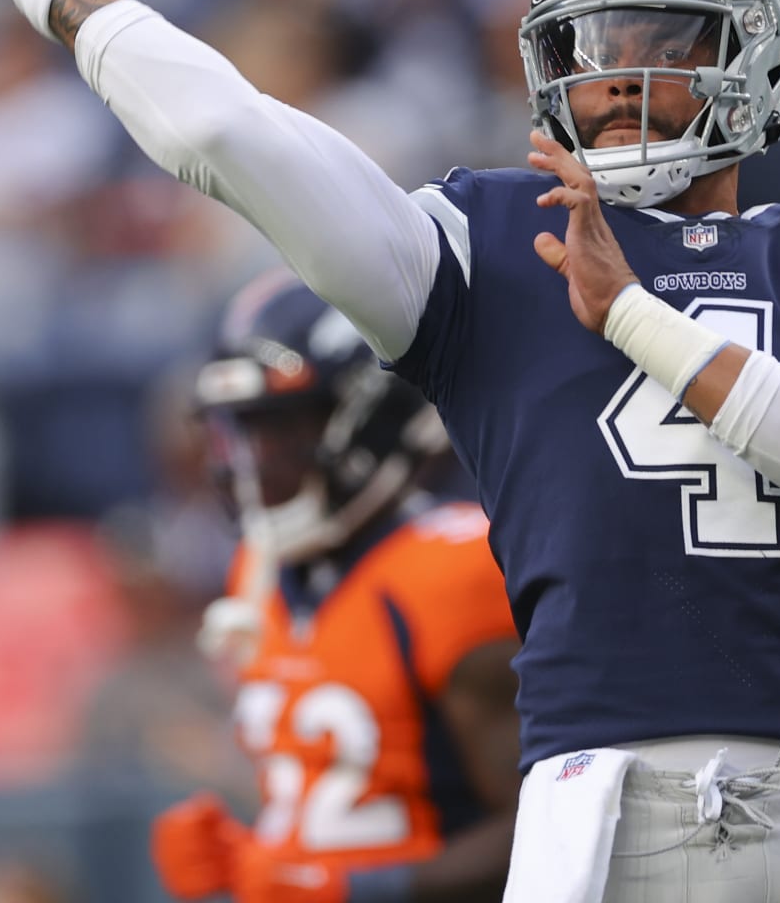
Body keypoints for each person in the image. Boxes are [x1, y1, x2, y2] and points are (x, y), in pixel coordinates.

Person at [0, 0, 780, 900]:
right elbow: (223, 131)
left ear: (749, 54)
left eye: (662, 39)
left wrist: (633, 317)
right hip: (599, 794)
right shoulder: (486, 244)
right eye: (590, 44)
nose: (616, 77)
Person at [149, 271, 522, 903]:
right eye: (238, 434)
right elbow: (336, 777)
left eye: (280, 429)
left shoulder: (455, 572)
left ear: (373, 415)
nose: (253, 463)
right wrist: (245, 857)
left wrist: (346, 889)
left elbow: (552, 822)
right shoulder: (260, 568)